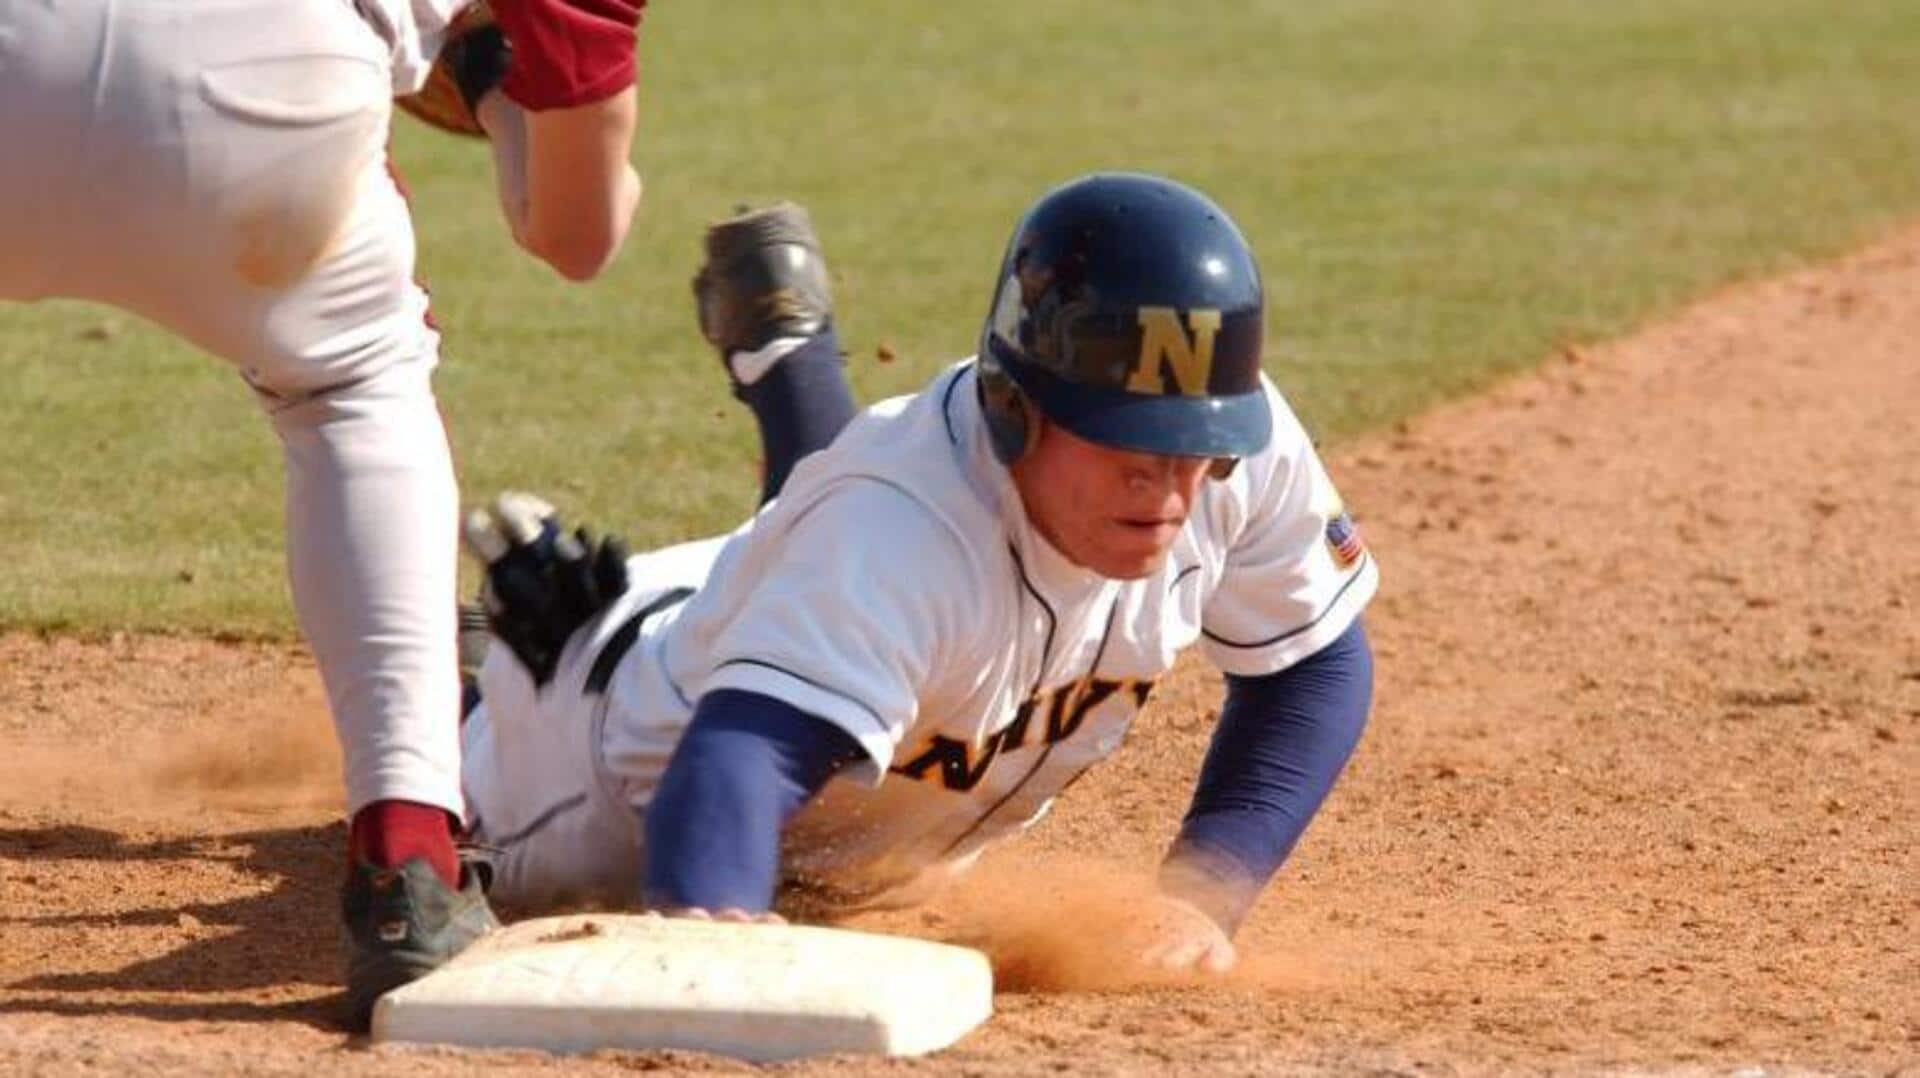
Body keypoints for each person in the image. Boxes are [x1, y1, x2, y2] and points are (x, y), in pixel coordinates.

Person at [459, 174, 1378, 973]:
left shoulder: (1234, 444)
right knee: (451, 797)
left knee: (853, 585)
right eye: (1127, 442)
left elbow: (1316, 666)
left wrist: (1200, 895)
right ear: (1014, 409)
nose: (1168, 484)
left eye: (1194, 449)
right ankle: (492, 672)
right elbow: (732, 767)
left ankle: (791, 367)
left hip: (821, 613)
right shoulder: (893, 534)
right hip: (605, 772)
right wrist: (720, 960)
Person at [0, 0, 647, 1027]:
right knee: (355, 382)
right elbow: (574, 235)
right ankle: (410, 850)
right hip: (247, 95)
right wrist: (486, 69)